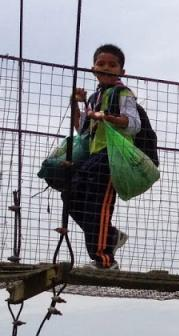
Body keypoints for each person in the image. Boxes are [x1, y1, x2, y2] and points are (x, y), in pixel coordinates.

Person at [69, 44, 139, 269]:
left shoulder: (123, 94)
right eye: (101, 64)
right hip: (93, 156)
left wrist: (107, 117)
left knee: (99, 205)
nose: (106, 68)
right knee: (72, 198)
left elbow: (133, 124)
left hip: (112, 157)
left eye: (112, 64)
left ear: (121, 71)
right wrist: (76, 104)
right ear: (93, 69)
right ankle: (111, 236)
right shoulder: (94, 97)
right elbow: (83, 130)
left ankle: (104, 260)